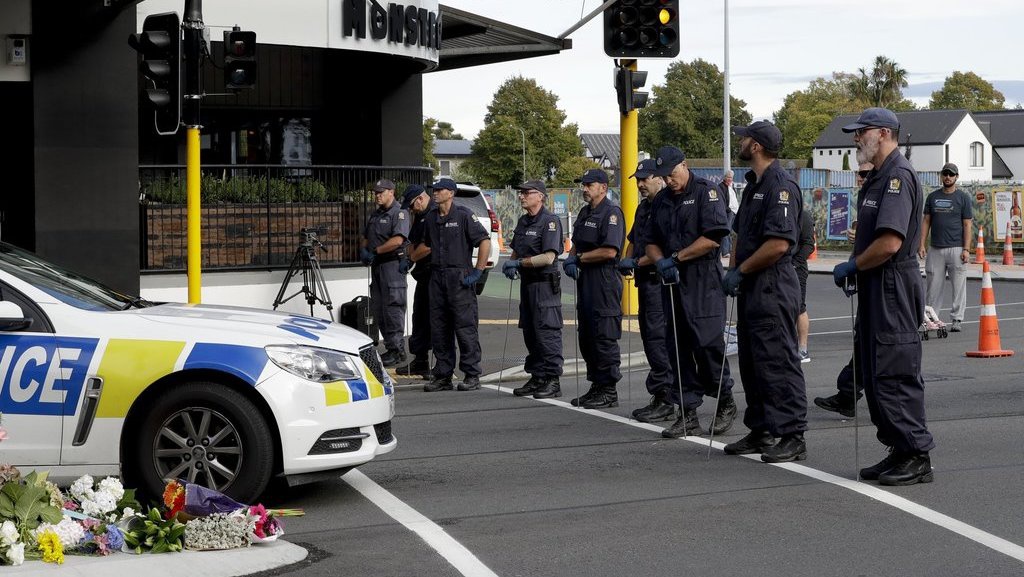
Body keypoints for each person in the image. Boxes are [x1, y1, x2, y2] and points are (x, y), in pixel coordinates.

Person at [832, 107, 935, 485]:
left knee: (894, 369)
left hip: (892, 281)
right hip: (878, 283)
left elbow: (890, 242)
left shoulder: (897, 177)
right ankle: (898, 447)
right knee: (875, 371)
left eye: (862, 132)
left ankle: (916, 453)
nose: (856, 138)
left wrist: (855, 265)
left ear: (883, 133)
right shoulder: (878, 176)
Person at [720, 121, 808, 462]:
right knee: (754, 361)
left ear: (755, 146)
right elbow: (740, 234)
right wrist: (733, 271)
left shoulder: (780, 186)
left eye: (744, 138)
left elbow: (778, 244)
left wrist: (740, 270)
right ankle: (763, 428)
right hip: (752, 284)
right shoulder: (754, 184)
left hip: (772, 282)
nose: (740, 142)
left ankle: (792, 433)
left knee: (778, 360)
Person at [644, 146, 736, 438]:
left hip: (702, 281)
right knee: (677, 349)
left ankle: (725, 402)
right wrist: (660, 262)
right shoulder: (661, 202)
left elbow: (712, 238)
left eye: (672, 174)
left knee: (708, 345)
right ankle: (687, 413)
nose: (669, 181)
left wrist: (678, 258)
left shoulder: (706, 192)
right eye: (664, 177)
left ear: (684, 165)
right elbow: (650, 240)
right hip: (672, 282)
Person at [616, 159, 675, 422]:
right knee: (651, 339)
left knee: (658, 340)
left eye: (644, 179)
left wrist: (638, 261)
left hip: (659, 281)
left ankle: (666, 397)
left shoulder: (666, 205)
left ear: (659, 178)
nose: (640, 184)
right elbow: (634, 239)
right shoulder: (644, 207)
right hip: (644, 281)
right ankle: (661, 395)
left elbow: (664, 248)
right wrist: (627, 259)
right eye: (638, 180)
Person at [420, 178, 492, 392]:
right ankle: (443, 375)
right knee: (440, 328)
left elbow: (484, 241)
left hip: (459, 277)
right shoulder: (431, 217)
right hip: (437, 277)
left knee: (465, 327)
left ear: (450, 193)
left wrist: (478, 270)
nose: (435, 192)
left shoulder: (463, 215)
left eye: (440, 189)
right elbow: (425, 245)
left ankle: (472, 374)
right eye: (434, 189)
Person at [814, 161, 873, 417]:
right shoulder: (865, 196)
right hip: (866, 275)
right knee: (863, 341)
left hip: (883, 283)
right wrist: (853, 268)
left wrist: (854, 265)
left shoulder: (886, 193)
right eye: (858, 173)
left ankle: (861, 396)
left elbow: (888, 241)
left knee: (875, 346)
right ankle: (848, 394)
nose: (859, 178)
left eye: (863, 173)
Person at [563, 168, 625, 409]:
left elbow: (610, 251)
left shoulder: (611, 213)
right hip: (586, 280)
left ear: (603, 187)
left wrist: (579, 259)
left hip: (604, 279)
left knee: (604, 335)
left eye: (589, 185)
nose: (584, 188)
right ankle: (597, 385)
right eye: (584, 184)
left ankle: (609, 389)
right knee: (587, 336)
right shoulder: (584, 212)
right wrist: (571, 256)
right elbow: (577, 242)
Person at [503, 179, 564, 399]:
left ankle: (552, 379)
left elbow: (548, 257)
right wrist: (511, 263)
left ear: (540, 196)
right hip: (527, 284)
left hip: (544, 285)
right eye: (521, 193)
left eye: (527, 193)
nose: (522, 196)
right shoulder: (523, 221)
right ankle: (538, 376)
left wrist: (518, 264)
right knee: (531, 332)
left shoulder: (550, 222)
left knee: (546, 332)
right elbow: (516, 250)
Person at [360, 178, 410, 367]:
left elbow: (398, 240)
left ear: (392, 192)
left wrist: (376, 251)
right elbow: (365, 237)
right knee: (379, 308)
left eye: (381, 192)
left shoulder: (399, 213)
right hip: (378, 267)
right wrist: (364, 251)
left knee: (393, 308)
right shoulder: (375, 214)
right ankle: (390, 347)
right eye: (376, 192)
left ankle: (397, 349)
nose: (377, 195)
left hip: (391, 266)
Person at [919, 162, 972, 332]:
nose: (948, 177)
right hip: (935, 249)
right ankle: (931, 319)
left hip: (957, 249)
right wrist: (922, 244)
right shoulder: (933, 197)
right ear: (941, 176)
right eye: (945, 174)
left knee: (959, 286)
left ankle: (957, 319)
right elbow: (926, 221)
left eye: (951, 174)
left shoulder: (963, 198)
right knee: (933, 286)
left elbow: (967, 225)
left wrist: (966, 249)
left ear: (956, 177)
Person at [396, 184, 435, 378]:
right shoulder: (420, 215)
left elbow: (428, 246)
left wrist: (411, 259)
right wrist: (408, 257)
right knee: (419, 318)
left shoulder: (434, 213)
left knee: (434, 320)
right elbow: (413, 242)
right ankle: (420, 361)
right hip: (423, 274)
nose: (410, 210)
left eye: (411, 205)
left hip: (435, 275)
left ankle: (441, 364)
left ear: (420, 198)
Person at [794, 209, 814, 363]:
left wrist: (794, 263)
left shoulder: (803, 215)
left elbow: (809, 244)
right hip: (780, 269)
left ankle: (803, 349)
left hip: (797, 269)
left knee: (800, 307)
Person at [718, 169, 739, 258]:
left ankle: (729, 250)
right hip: (729, 212)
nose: (730, 179)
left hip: (734, 212)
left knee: (730, 232)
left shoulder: (731, 186)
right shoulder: (721, 187)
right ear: (725, 177)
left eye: (731, 177)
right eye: (729, 177)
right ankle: (725, 251)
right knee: (726, 231)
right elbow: (721, 200)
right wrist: (728, 210)